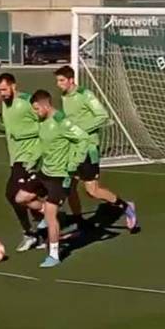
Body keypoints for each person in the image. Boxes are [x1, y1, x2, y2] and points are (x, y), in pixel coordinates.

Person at [15, 90, 92, 268]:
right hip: (45, 172)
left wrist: (74, 163)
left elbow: (83, 139)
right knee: (21, 198)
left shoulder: (62, 122)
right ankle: (54, 213)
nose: (35, 113)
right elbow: (42, 144)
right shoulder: (42, 121)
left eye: (36, 109)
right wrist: (33, 160)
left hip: (60, 175)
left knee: (50, 217)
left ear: (45, 105)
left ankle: (54, 254)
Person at [54, 65, 137, 230]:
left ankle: (126, 207)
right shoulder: (64, 96)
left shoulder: (85, 95)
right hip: (73, 149)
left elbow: (102, 116)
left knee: (92, 190)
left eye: (62, 80)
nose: (59, 84)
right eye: (57, 81)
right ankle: (79, 221)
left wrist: (78, 128)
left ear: (71, 80)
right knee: (69, 187)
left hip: (88, 148)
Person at [0, 73, 45, 252]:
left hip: (30, 158)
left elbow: (44, 123)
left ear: (14, 85)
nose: (3, 94)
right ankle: (42, 230)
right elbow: (13, 130)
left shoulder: (26, 101)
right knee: (24, 197)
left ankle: (31, 233)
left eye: (5, 89)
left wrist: (30, 140)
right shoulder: (6, 105)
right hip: (16, 158)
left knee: (12, 194)